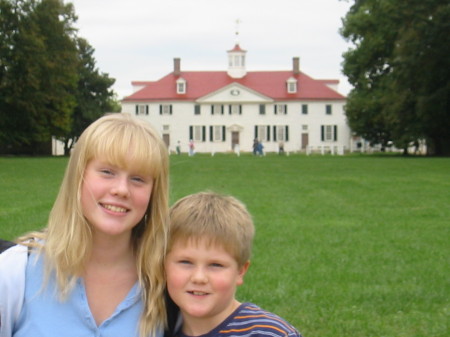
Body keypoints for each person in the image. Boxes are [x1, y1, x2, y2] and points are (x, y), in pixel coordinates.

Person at [0, 113, 171, 337]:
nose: (121, 189)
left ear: (153, 193)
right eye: (107, 172)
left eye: (138, 179)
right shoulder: (16, 271)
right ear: (78, 177)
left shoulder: (166, 283)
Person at [165, 191, 303, 337]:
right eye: (185, 262)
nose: (199, 277)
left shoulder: (270, 334)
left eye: (216, 265)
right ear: (162, 266)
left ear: (240, 271)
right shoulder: (153, 328)